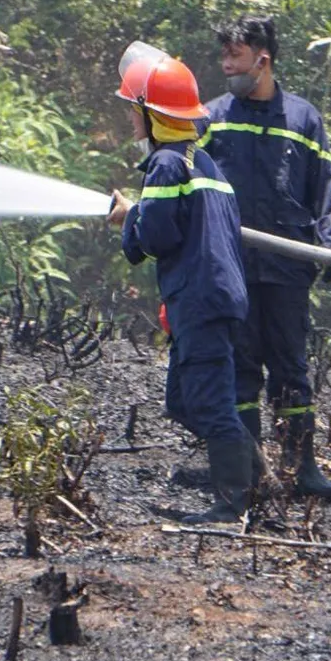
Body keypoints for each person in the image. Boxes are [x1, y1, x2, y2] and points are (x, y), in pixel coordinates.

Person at [202, 16, 331, 509]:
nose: (226, 67)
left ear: (263, 60)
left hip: (288, 268)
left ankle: (301, 469)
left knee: (291, 368)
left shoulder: (304, 119)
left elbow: (325, 190)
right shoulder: (211, 117)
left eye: (235, 58)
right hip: (234, 266)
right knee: (241, 368)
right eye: (224, 57)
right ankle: (248, 474)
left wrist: (330, 244)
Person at [107, 42, 254, 524]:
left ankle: (234, 505)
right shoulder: (206, 165)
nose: (131, 121)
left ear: (154, 116)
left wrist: (132, 220)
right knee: (183, 401)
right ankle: (254, 468)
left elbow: (157, 235)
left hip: (199, 299)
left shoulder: (168, 164)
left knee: (210, 405)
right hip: (217, 297)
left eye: (135, 111)